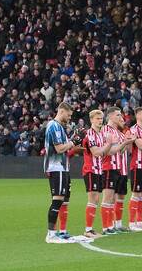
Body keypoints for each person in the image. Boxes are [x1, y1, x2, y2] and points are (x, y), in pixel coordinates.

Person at [43, 101, 76, 244]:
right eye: (68, 115)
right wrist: (74, 141)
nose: (69, 118)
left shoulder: (59, 127)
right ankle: (51, 234)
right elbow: (60, 149)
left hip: (62, 167)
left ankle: (60, 232)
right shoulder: (55, 126)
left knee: (62, 199)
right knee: (57, 199)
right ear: (61, 111)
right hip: (57, 167)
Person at [100, 107, 135, 235]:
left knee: (113, 199)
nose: (120, 117)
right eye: (117, 115)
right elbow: (108, 152)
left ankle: (112, 226)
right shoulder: (106, 130)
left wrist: (127, 143)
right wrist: (124, 143)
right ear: (110, 117)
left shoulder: (118, 132)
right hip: (108, 167)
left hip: (118, 168)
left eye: (120, 115)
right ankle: (106, 228)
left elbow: (119, 151)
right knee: (108, 198)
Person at [81, 109, 113, 238]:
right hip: (90, 170)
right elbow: (96, 152)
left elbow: (104, 153)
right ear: (91, 120)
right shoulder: (90, 135)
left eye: (101, 118)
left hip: (99, 170)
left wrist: (109, 144)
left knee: (96, 199)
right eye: (97, 118)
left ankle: (90, 229)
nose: (100, 121)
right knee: (93, 198)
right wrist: (109, 143)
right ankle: (88, 229)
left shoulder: (100, 135)